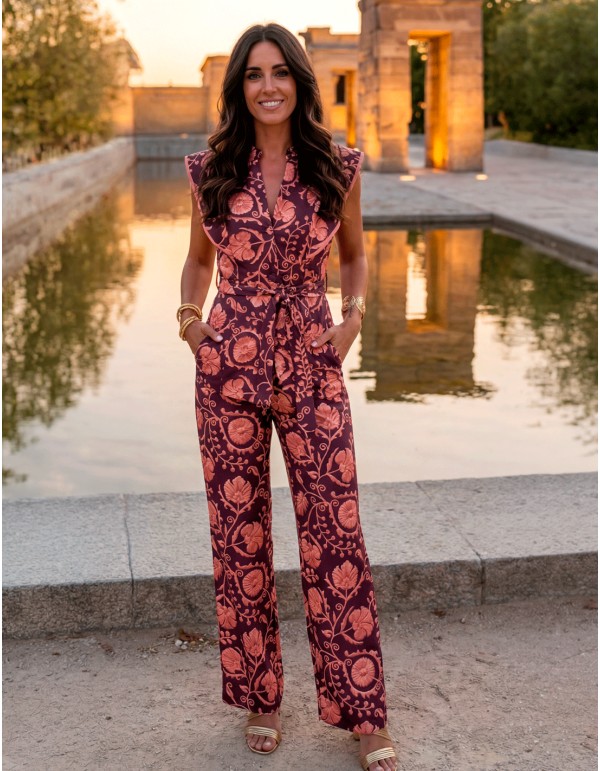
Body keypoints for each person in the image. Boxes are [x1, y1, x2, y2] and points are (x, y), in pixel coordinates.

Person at [178, 22, 397, 771]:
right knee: (239, 537)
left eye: (280, 72)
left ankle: (364, 713)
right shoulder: (215, 167)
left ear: (300, 81)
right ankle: (262, 695)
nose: (267, 85)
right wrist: (191, 326)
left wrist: (353, 321)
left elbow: (359, 255)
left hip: (311, 357)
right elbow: (194, 264)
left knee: (336, 530)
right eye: (252, 74)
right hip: (228, 366)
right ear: (239, 87)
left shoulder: (337, 164)